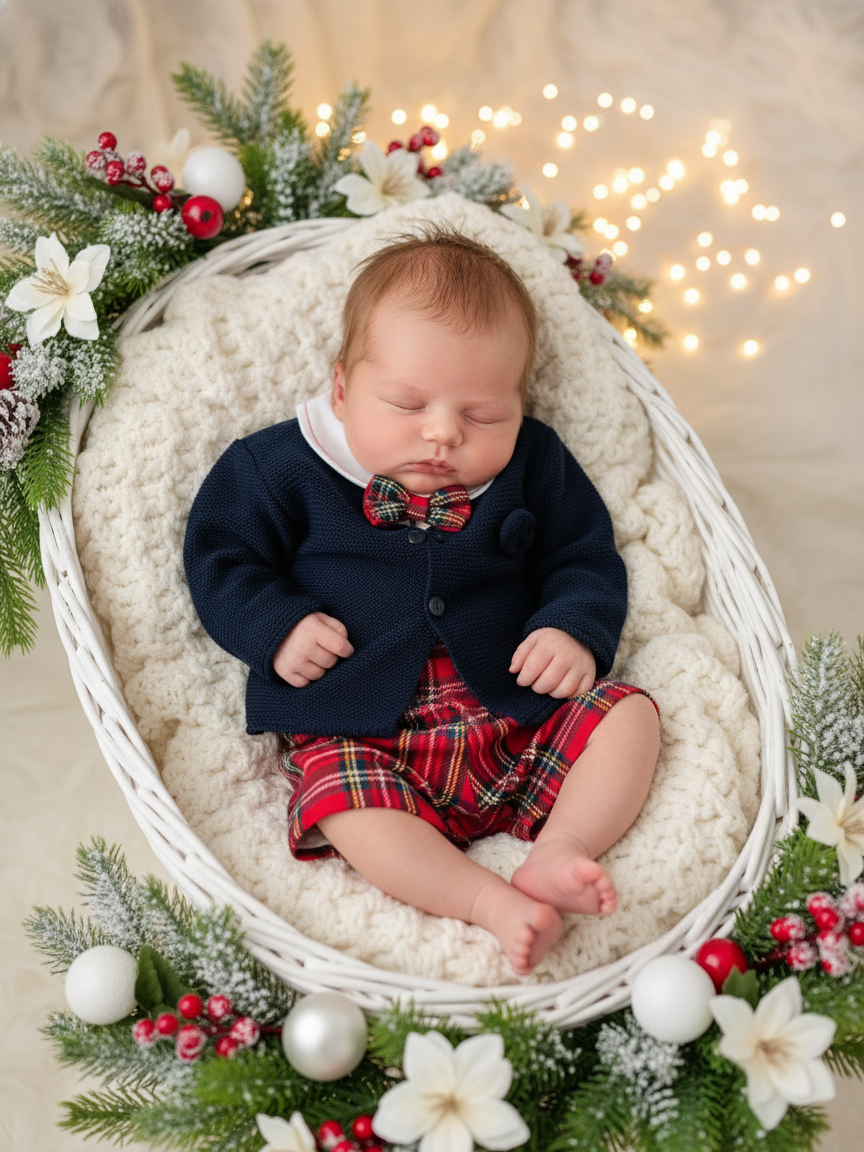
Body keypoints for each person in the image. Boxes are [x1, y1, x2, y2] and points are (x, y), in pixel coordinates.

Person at [184, 225, 660, 976]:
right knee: (341, 801)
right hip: (362, 729)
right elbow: (220, 555)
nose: (442, 434)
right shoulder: (280, 467)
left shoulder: (534, 464)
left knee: (630, 716)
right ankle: (486, 902)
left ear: (518, 404)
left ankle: (560, 850)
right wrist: (275, 627)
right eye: (406, 403)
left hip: (513, 715)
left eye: (482, 416)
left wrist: (571, 628)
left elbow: (582, 554)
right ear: (341, 388)